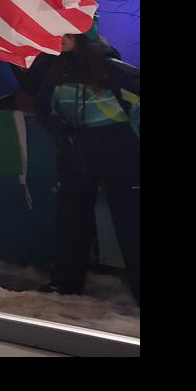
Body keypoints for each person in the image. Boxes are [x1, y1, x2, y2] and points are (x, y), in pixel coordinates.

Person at [35, 33, 139, 304]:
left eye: (66, 34)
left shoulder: (114, 68)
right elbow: (43, 108)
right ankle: (65, 284)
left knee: (131, 223)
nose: (59, 39)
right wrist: (62, 131)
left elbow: (137, 104)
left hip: (120, 153)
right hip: (75, 153)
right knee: (71, 220)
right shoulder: (55, 70)